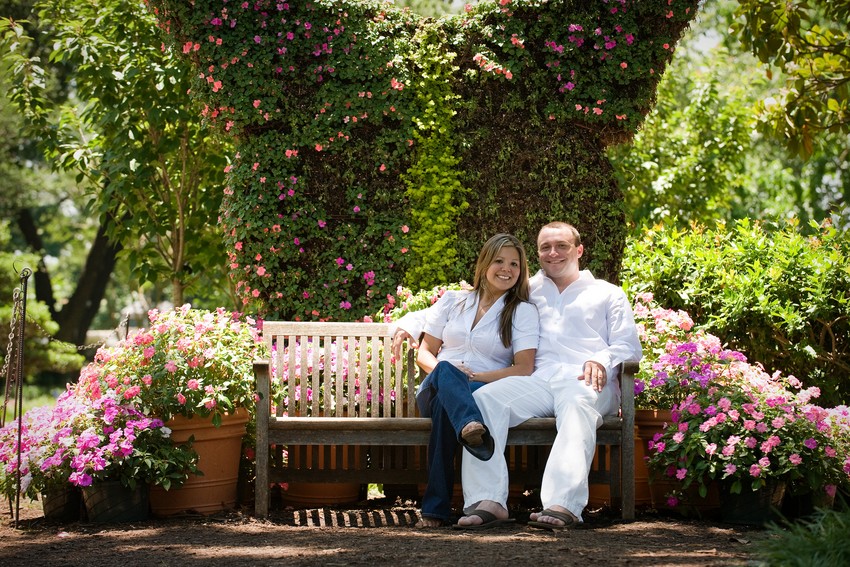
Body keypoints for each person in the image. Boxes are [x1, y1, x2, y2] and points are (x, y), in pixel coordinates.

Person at [393, 222, 641, 530]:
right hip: (539, 381)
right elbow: (464, 301)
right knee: (484, 400)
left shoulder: (607, 293)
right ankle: (488, 501)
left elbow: (629, 346)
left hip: (586, 381)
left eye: (561, 246)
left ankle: (562, 504)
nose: (553, 253)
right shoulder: (528, 289)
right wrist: (409, 322)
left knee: (577, 405)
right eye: (545, 247)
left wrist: (601, 359)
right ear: (537, 254)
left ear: (579, 250)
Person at [412, 233, 539, 528]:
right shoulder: (453, 301)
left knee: (446, 408)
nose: (506, 269)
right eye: (499, 261)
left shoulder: (522, 311)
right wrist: (449, 374)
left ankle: (434, 510)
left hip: (483, 389)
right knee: (447, 370)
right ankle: (470, 424)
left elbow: (524, 367)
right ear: (484, 264)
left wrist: (477, 376)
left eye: (514, 264)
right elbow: (425, 353)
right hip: (436, 385)